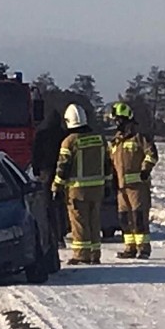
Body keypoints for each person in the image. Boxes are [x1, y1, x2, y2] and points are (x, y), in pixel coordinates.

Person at [52, 103, 113, 265]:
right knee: (94, 220)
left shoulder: (69, 141)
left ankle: (81, 254)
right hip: (98, 188)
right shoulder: (100, 138)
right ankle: (95, 254)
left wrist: (56, 187)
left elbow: (62, 167)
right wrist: (107, 184)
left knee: (79, 222)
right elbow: (107, 163)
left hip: (77, 190)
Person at [108, 101, 159, 259]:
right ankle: (129, 247)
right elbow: (111, 162)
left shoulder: (139, 138)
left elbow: (152, 155)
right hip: (121, 187)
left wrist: (145, 170)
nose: (116, 124)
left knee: (139, 217)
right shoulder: (115, 141)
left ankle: (143, 248)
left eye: (118, 120)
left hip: (137, 186)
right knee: (124, 218)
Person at [31, 109, 68, 249]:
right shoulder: (64, 135)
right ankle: (61, 234)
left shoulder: (41, 135)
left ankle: (53, 235)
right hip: (63, 172)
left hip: (46, 172)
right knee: (61, 204)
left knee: (48, 205)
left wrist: (36, 168)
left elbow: (36, 153)